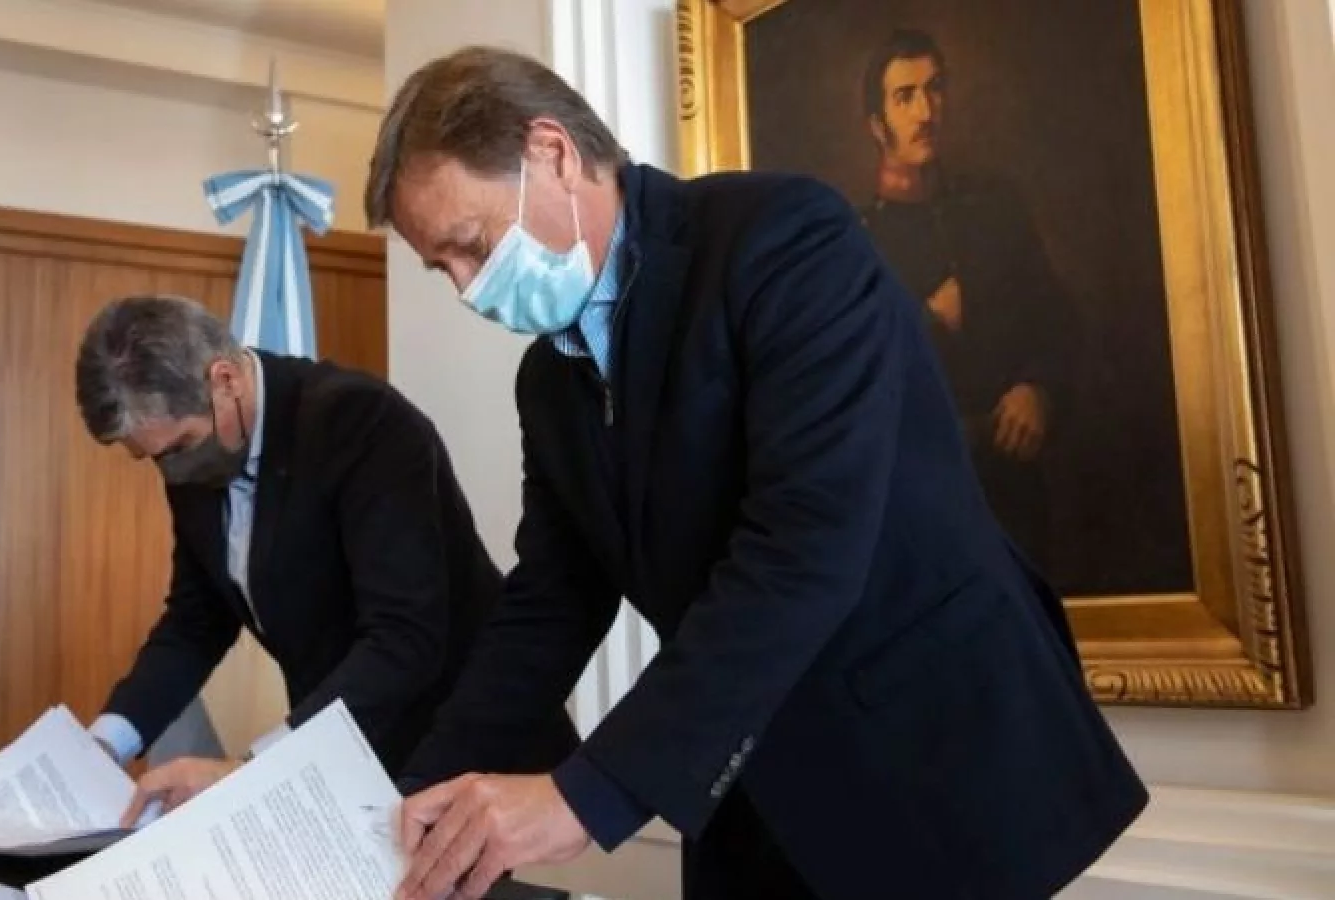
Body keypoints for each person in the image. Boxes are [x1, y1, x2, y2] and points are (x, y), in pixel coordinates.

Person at [366, 46, 1147, 900]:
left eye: (471, 246)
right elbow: (553, 599)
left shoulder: (782, 237)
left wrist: (586, 795)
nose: (467, 289)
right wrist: (412, 796)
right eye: (442, 267)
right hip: (748, 777)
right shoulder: (548, 383)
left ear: (552, 153)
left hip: (930, 753)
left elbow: (804, 546)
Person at [72, 294, 575, 823]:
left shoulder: (360, 421)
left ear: (225, 381)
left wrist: (251, 772)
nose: (171, 472)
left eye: (179, 448)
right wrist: (106, 745)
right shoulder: (199, 457)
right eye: (152, 458)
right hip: (345, 761)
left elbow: (404, 640)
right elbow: (196, 622)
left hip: (462, 750)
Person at [857, 27, 1076, 576]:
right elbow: (856, 379)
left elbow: (1056, 318)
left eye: (934, 89)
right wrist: (929, 321)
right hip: (914, 503)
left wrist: (1039, 388)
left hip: (1012, 487)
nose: (925, 111)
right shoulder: (854, 241)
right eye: (905, 97)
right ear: (877, 124)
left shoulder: (997, 208)